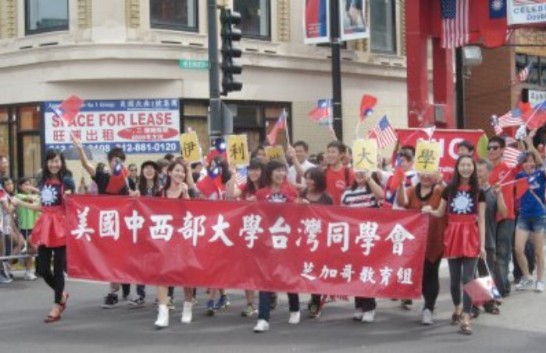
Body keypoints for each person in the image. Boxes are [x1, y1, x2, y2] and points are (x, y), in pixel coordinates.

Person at [423, 155, 486, 335]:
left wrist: (482, 244)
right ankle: (457, 307)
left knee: (468, 279)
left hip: (471, 236)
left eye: (469, 165)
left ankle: (466, 316)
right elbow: (440, 212)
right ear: (457, 167)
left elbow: (481, 219)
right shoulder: (449, 189)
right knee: (454, 280)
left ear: (473, 168)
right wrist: (429, 210)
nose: (466, 168)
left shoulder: (478, 191)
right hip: (453, 235)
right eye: (462, 165)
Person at [73, 137, 137, 308]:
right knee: (111, 259)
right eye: (114, 160)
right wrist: (80, 149)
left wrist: (134, 195)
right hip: (107, 223)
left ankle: (127, 291)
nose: (117, 163)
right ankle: (113, 292)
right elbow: (87, 166)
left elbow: (136, 201)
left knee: (125, 258)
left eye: (120, 161)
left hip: (124, 224)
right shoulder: (101, 177)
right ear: (108, 162)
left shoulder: (128, 180)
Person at [12, 149, 74, 323]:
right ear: (46, 163)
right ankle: (61, 294)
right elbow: (41, 207)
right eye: (51, 161)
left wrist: (68, 197)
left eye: (57, 161)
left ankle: (56, 306)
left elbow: (71, 203)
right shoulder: (43, 181)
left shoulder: (67, 181)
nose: (54, 164)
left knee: (59, 267)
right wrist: (21, 202)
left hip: (61, 226)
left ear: (61, 162)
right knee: (42, 269)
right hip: (46, 225)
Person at [253, 160, 300, 333]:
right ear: (270, 173)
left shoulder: (291, 191)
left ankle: (294, 308)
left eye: (283, 170)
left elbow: (297, 212)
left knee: (287, 274)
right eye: (277, 171)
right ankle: (263, 318)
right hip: (267, 241)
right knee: (265, 278)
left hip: (287, 240)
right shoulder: (261, 193)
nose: (281, 174)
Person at [397, 172, 446, 325]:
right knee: (420, 274)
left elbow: (450, 197)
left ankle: (428, 308)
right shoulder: (411, 190)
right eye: (423, 172)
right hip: (414, 243)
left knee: (431, 273)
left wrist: (442, 182)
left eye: (429, 172)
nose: (426, 176)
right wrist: (399, 184)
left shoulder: (439, 190)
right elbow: (402, 202)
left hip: (434, 240)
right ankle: (413, 299)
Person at [154, 160, 195, 328]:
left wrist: (186, 195)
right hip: (164, 240)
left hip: (183, 239)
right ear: (169, 172)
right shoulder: (160, 193)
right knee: (162, 275)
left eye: (183, 171)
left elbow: (193, 214)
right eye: (177, 171)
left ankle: (187, 306)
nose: (180, 174)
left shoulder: (187, 191)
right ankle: (162, 311)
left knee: (186, 276)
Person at [340, 169, 384, 323]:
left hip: (369, 237)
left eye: (363, 172)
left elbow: (381, 196)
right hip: (353, 238)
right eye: (357, 171)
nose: (360, 174)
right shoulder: (347, 192)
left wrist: (369, 179)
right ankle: (358, 305)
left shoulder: (372, 189)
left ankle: (369, 307)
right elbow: (341, 213)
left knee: (367, 272)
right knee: (356, 271)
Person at [226, 158, 266, 317]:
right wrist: (233, 174)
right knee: (248, 269)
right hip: (248, 233)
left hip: (265, 234)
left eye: (257, 169)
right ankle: (250, 303)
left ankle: (269, 294)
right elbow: (230, 195)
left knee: (264, 270)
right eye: (251, 170)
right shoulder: (245, 188)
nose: (253, 173)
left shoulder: (268, 188)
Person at [299, 167, 333, 318]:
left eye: (311, 178)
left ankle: (316, 299)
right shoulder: (301, 194)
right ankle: (312, 297)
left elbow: (332, 219)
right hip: (303, 240)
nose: (308, 181)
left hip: (321, 241)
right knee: (306, 270)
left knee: (318, 270)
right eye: (306, 178)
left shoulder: (327, 198)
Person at [514, 134, 545, 293]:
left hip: (539, 216)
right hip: (524, 217)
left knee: (539, 251)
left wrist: (530, 143)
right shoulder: (519, 176)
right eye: (526, 161)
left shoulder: (541, 174)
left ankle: (540, 280)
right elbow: (519, 157)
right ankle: (527, 277)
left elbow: (540, 161)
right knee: (519, 249)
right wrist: (521, 142)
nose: (529, 164)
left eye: (531, 161)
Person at [476, 158, 506, 314]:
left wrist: (499, 195)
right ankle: (474, 306)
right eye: (476, 171)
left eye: (480, 171)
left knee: (486, 273)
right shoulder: (469, 191)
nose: (477, 174)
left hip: (488, 239)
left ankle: (490, 303)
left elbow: (504, 212)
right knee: (471, 273)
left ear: (489, 172)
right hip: (470, 240)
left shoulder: (493, 191)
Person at [488, 136, 516, 298]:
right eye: (489, 148)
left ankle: (501, 288)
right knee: (490, 255)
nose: (491, 150)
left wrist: (526, 140)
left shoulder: (510, 170)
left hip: (506, 217)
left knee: (502, 254)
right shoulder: (483, 170)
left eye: (495, 147)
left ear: (503, 149)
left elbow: (535, 164)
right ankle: (501, 286)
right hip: (488, 218)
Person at [16, 178, 41, 281]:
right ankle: (27, 269)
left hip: (34, 226)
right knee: (33, 249)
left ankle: (27, 269)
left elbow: (40, 196)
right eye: (25, 185)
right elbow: (30, 198)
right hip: (24, 227)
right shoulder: (19, 196)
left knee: (33, 250)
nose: (28, 186)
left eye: (29, 184)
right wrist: (33, 194)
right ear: (20, 187)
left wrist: (33, 189)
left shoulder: (35, 196)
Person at [324, 141, 354, 205]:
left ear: (341, 154)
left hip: (343, 212)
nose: (330, 155)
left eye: (333, 152)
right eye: (328, 152)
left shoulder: (349, 173)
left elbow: (353, 194)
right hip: (326, 212)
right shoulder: (323, 172)